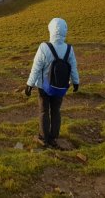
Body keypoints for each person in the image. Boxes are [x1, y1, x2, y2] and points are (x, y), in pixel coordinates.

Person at [25, 17, 79, 148]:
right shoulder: (69, 49)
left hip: (44, 87)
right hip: (60, 87)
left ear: (51, 30)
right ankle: (54, 138)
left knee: (44, 111)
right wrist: (75, 82)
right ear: (64, 30)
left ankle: (43, 138)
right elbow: (73, 67)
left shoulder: (44, 47)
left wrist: (29, 84)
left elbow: (36, 68)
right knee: (56, 111)